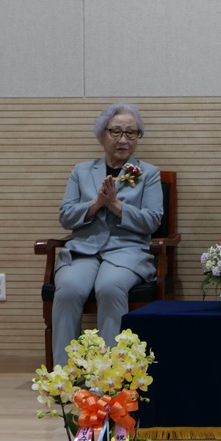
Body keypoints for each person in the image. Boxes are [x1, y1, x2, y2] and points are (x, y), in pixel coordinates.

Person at [52, 103, 163, 368]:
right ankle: (64, 377)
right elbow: (65, 216)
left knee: (109, 287)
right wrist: (96, 204)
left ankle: (110, 378)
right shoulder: (81, 171)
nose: (124, 139)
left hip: (128, 251)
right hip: (84, 251)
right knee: (68, 290)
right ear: (102, 135)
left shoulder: (148, 174)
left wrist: (116, 206)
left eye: (131, 133)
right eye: (116, 132)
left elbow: (153, 221)